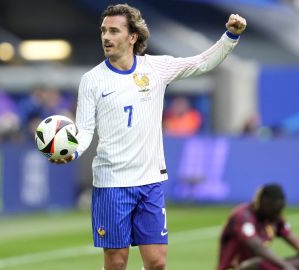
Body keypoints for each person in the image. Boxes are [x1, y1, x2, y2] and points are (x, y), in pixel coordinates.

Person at [51, 3, 246, 270]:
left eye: (114, 31)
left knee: (156, 263)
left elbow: (201, 63)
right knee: (117, 262)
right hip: (111, 184)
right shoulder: (92, 80)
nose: (106, 37)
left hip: (150, 181)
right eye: (104, 31)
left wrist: (230, 37)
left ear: (132, 37)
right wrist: (72, 151)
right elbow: (84, 130)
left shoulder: (155, 68)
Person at [218, 183, 299, 270]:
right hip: (238, 268)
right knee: (259, 263)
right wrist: (285, 266)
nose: (278, 214)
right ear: (263, 203)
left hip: (263, 266)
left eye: (280, 210)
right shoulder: (243, 216)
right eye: (275, 210)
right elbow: (258, 247)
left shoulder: (274, 218)